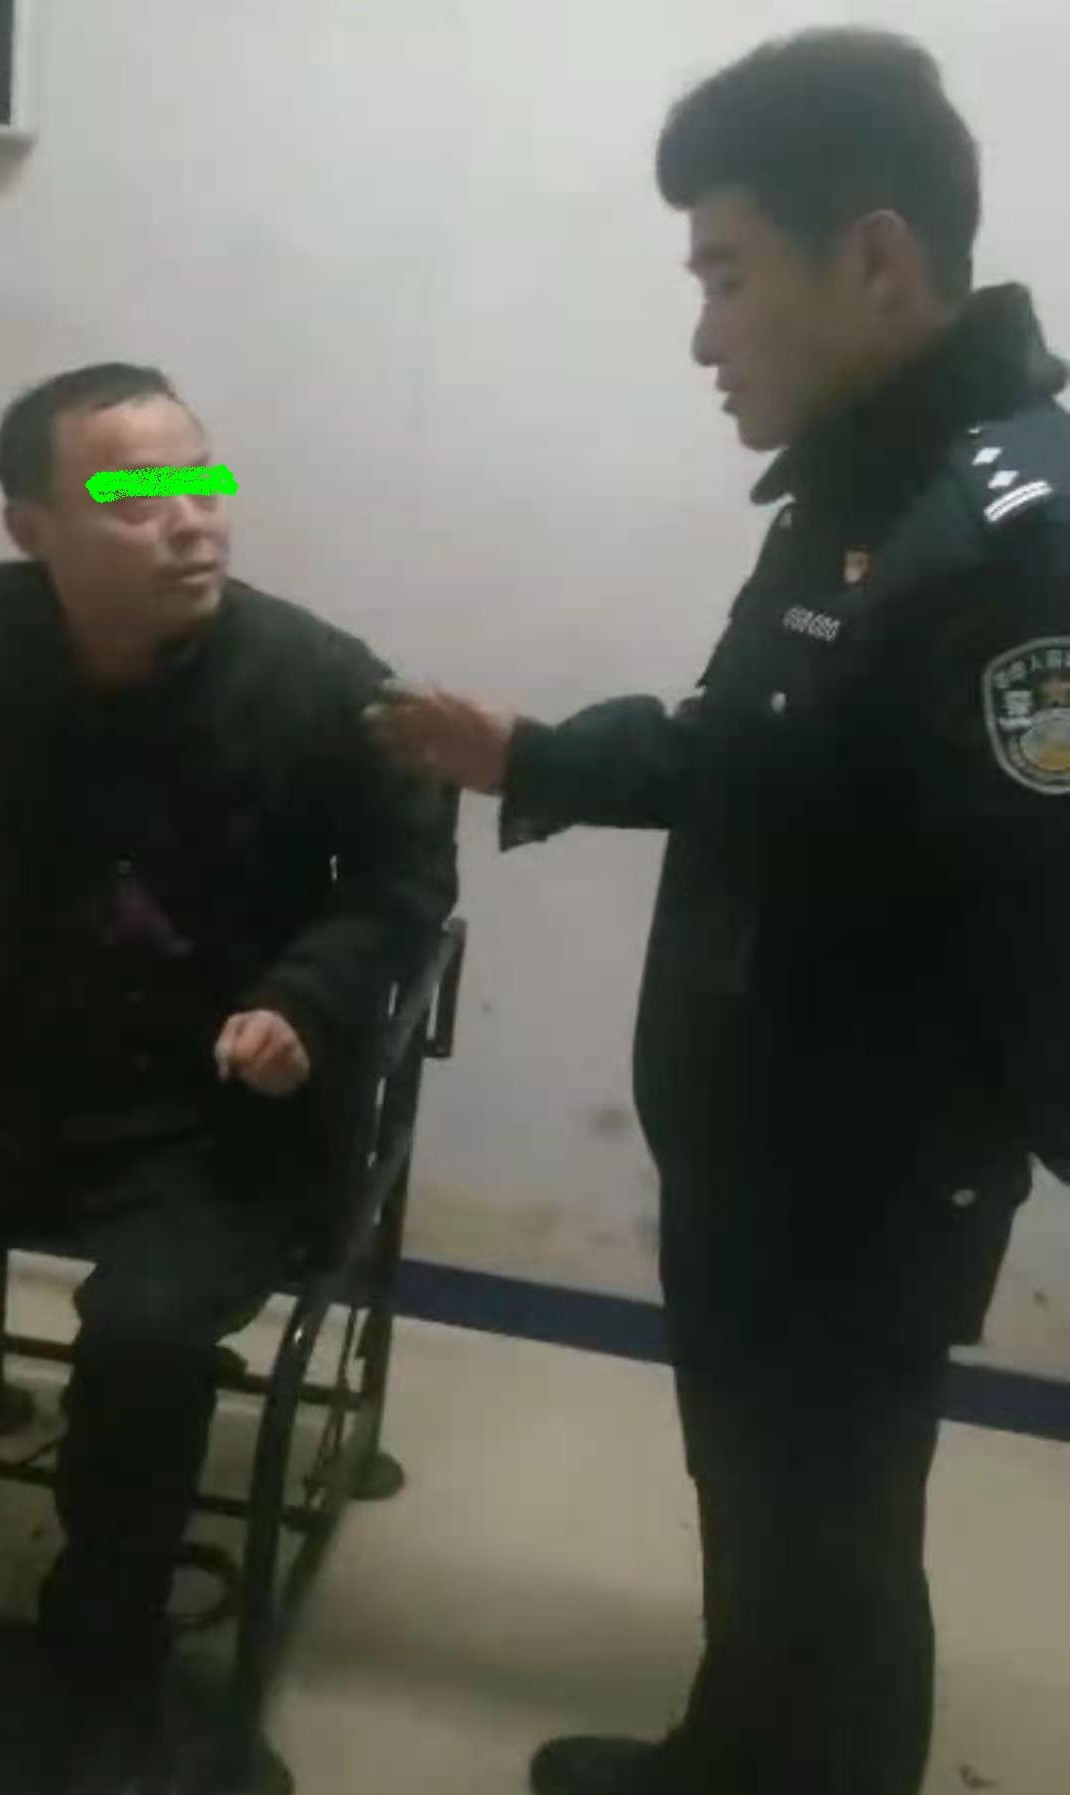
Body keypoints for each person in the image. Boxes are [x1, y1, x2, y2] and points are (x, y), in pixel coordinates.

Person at [367, 28, 1070, 1795]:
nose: (701, 334)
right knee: (763, 1505)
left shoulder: (1012, 539)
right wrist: (535, 754)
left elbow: (1044, 919)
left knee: (832, 1533)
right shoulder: (865, 483)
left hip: (863, 1171)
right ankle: (729, 1757)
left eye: (725, 275)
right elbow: (754, 748)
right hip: (766, 1137)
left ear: (876, 260)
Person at [0, 362, 456, 1794]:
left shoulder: (320, 683)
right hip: (28, 1067)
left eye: (201, 481)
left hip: (219, 1106)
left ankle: (102, 1658)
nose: (192, 519)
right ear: (31, 530)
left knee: (144, 1332)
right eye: (136, 497)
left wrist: (304, 999)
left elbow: (404, 883)